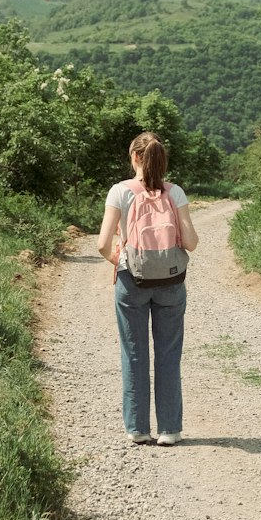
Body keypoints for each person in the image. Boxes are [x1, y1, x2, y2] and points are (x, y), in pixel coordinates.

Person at [97, 131, 199, 447]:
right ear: (160, 159)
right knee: (168, 355)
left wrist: (122, 257)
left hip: (132, 280)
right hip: (171, 282)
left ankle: (138, 429)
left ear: (135, 157)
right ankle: (170, 430)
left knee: (134, 353)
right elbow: (192, 243)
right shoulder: (176, 193)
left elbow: (102, 244)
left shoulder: (119, 192)